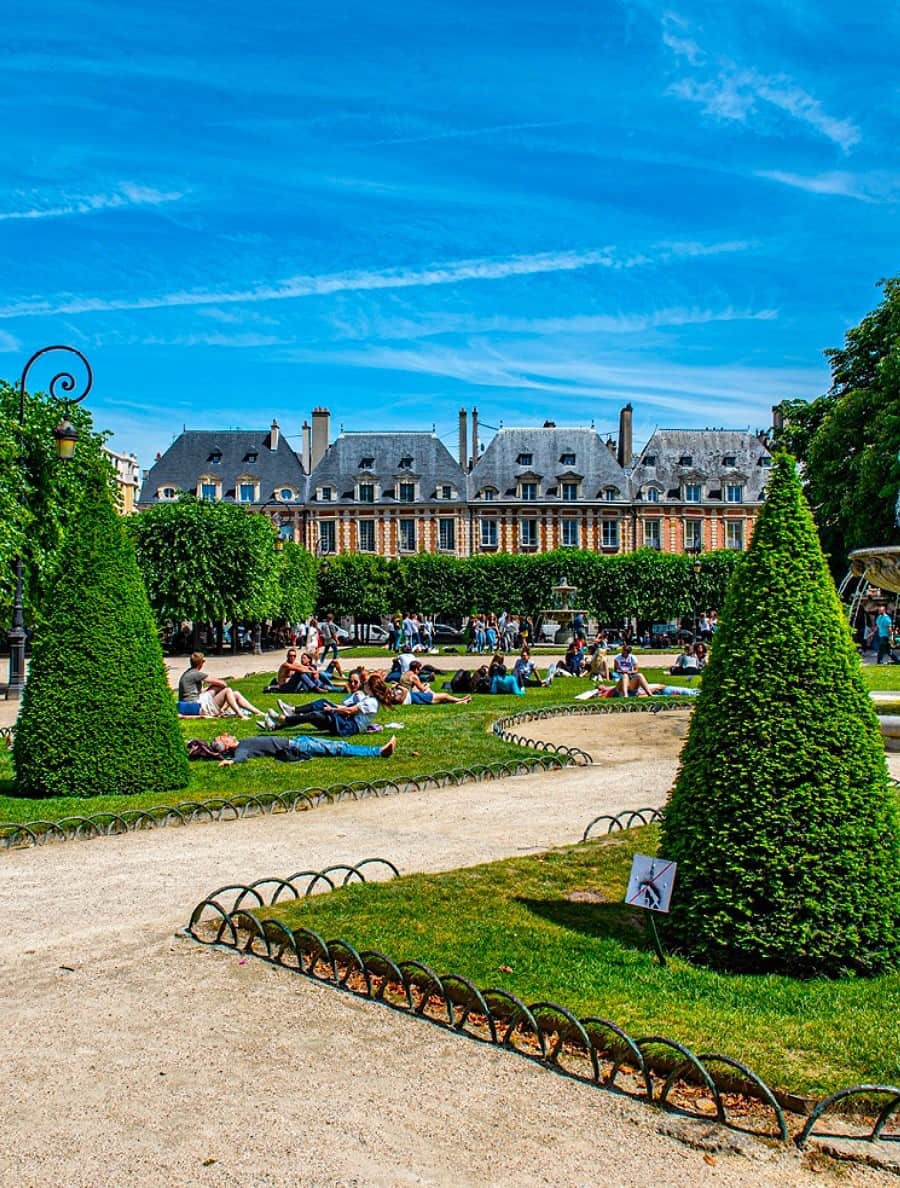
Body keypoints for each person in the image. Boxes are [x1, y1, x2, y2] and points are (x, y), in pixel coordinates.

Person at [262, 671, 390, 736]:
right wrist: (333, 707)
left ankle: (283, 719)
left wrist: (332, 710)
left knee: (316, 716)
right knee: (322, 703)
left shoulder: (371, 702)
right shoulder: (368, 698)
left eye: (367, 684)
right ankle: (291, 712)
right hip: (347, 720)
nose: (364, 685)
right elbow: (347, 708)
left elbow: (350, 711)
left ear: (372, 687)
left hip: (349, 726)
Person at [208, 731, 397, 766]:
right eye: (224, 737)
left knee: (338, 745)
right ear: (226, 745)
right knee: (339, 748)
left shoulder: (243, 743)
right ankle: (378, 752)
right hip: (298, 746)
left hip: (298, 740)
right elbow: (241, 758)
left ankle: (377, 751)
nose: (229, 735)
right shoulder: (240, 749)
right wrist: (230, 761)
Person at [176, 652, 263, 719]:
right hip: (196, 706)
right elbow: (222, 684)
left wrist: (210, 688)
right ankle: (240, 714)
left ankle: (257, 712)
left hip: (190, 704)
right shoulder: (196, 674)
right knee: (227, 690)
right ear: (201, 663)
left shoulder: (187, 673)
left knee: (234, 693)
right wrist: (215, 687)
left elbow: (197, 692)